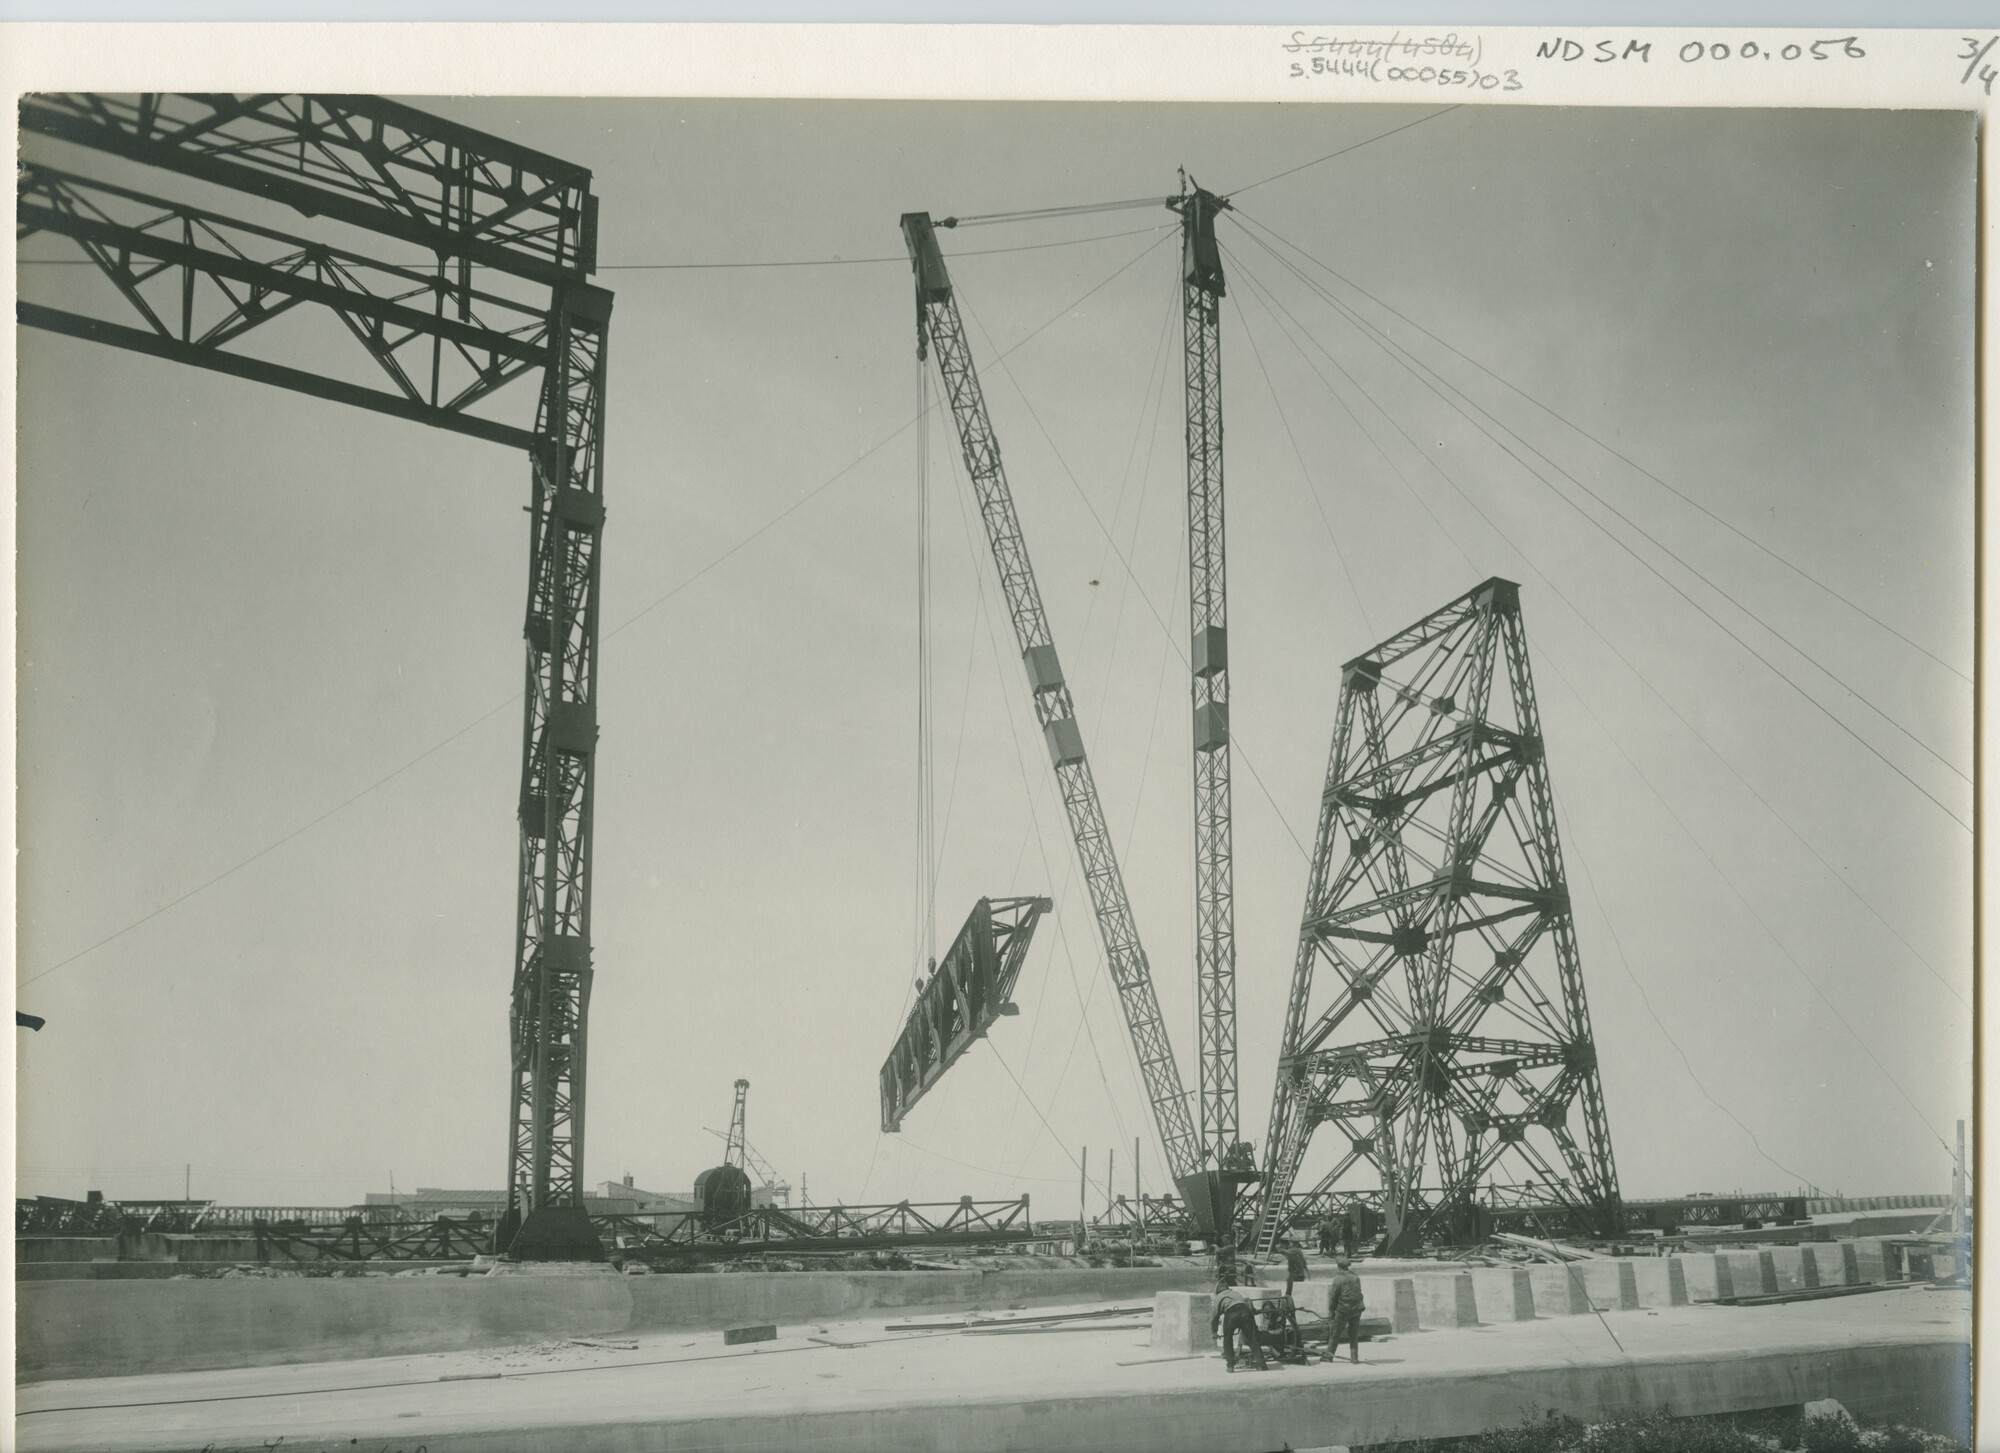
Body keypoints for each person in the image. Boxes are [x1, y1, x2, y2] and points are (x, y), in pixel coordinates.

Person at [1210, 1284, 1268, 1372]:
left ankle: (1230, 1366)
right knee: (1253, 1338)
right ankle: (1262, 1365)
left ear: (1218, 1292)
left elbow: (1214, 1316)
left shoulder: (1218, 1297)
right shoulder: (1235, 1293)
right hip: (1245, 1312)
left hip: (1231, 1313)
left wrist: (1214, 1332)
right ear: (1228, 1289)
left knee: (1228, 1339)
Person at [1326, 1256, 1365, 1364]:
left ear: (1338, 1266)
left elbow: (1333, 1297)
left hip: (1344, 1309)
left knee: (1335, 1333)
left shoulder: (1338, 1279)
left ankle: (1328, 1356)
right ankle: (1354, 1358)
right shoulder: (1355, 1277)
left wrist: (1331, 1311)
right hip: (1357, 1308)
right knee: (1353, 1333)